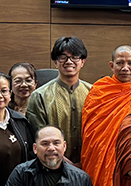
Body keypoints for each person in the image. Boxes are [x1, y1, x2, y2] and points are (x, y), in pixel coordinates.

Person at [80, 45, 131, 186]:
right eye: (120, 63)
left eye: (130, 63)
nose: (125, 68)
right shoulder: (99, 90)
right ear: (111, 65)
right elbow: (91, 133)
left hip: (130, 163)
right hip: (102, 159)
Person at [27, 36, 91, 164]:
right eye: (63, 57)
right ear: (56, 62)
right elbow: (39, 136)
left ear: (82, 61)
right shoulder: (39, 96)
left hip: (88, 167)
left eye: (75, 57)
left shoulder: (94, 93)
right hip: (51, 165)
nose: (69, 61)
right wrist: (67, 164)